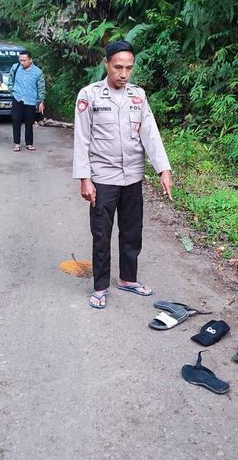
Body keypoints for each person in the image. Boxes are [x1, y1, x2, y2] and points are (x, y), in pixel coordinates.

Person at [73, 40, 174, 309]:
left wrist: (163, 168)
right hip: (103, 179)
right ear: (106, 64)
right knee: (102, 234)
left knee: (132, 232)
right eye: (118, 67)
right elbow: (82, 139)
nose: (124, 74)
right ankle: (100, 286)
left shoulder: (137, 96)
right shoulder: (89, 95)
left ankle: (128, 279)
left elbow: (150, 134)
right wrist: (85, 178)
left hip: (132, 178)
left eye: (129, 68)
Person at [8, 50, 46, 151]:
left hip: (30, 100)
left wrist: (41, 101)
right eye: (20, 60)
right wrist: (13, 92)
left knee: (29, 122)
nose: (22, 62)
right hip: (17, 99)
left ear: (30, 60)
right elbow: (10, 81)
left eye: (24, 60)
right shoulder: (15, 68)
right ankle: (17, 143)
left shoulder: (38, 72)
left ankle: (29, 143)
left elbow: (41, 87)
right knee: (16, 120)